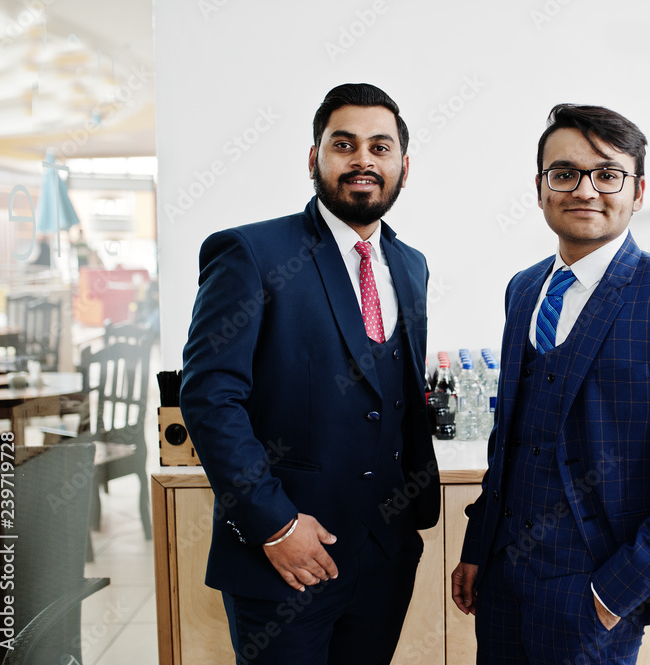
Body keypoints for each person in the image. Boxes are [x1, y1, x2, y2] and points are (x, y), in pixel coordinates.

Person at [450, 104, 650, 664]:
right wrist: (478, 547)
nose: (585, 189)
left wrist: (613, 594)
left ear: (638, 191)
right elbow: (508, 438)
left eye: (607, 174)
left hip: (594, 586)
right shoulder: (524, 288)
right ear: (540, 190)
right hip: (504, 578)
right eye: (564, 174)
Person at [180, 83, 439, 665]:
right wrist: (274, 526)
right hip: (287, 555)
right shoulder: (251, 253)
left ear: (403, 164)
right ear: (314, 158)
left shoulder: (411, 264)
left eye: (380, 146)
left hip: (384, 553)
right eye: (343, 144)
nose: (363, 159)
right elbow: (209, 397)